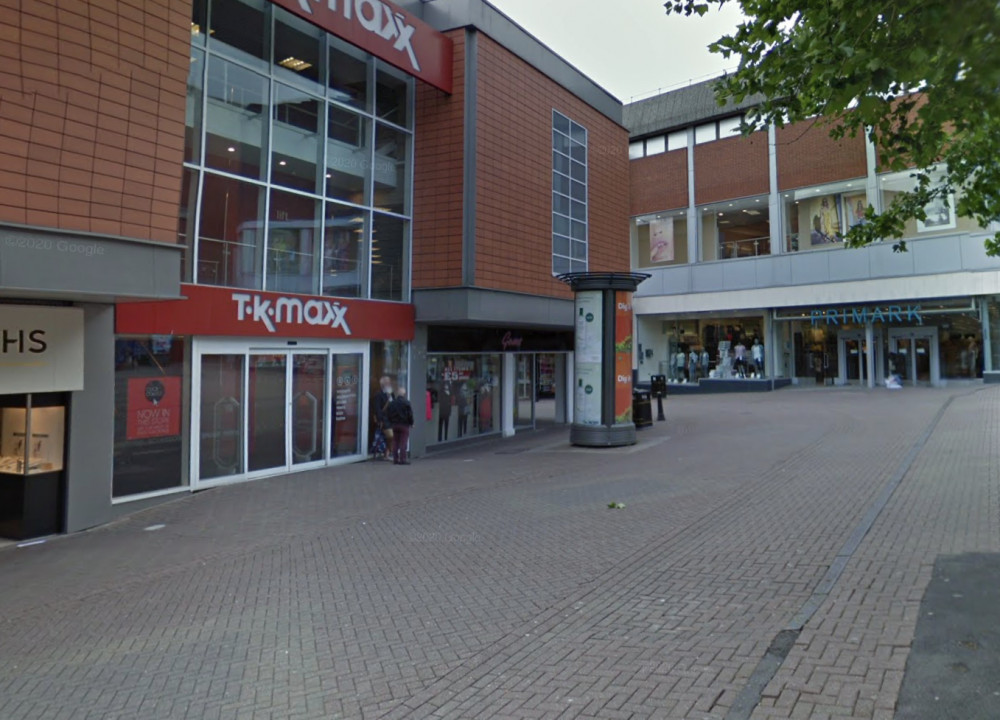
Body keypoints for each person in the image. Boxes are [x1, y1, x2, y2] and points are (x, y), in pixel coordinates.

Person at [386, 387, 414, 465]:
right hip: (404, 425)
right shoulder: (406, 403)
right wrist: (411, 423)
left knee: (395, 442)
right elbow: (410, 415)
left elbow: (388, 414)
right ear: (404, 394)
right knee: (403, 442)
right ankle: (402, 459)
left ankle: (395, 459)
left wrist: (391, 422)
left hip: (395, 425)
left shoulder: (392, 403)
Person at [371, 375, 393, 460]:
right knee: (390, 435)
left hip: (392, 419)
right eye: (387, 383)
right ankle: (388, 452)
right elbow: (377, 409)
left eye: (389, 382)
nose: (389, 384)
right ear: (382, 384)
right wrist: (380, 420)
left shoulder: (391, 395)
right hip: (384, 420)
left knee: (395, 435)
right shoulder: (378, 395)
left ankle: (387, 453)